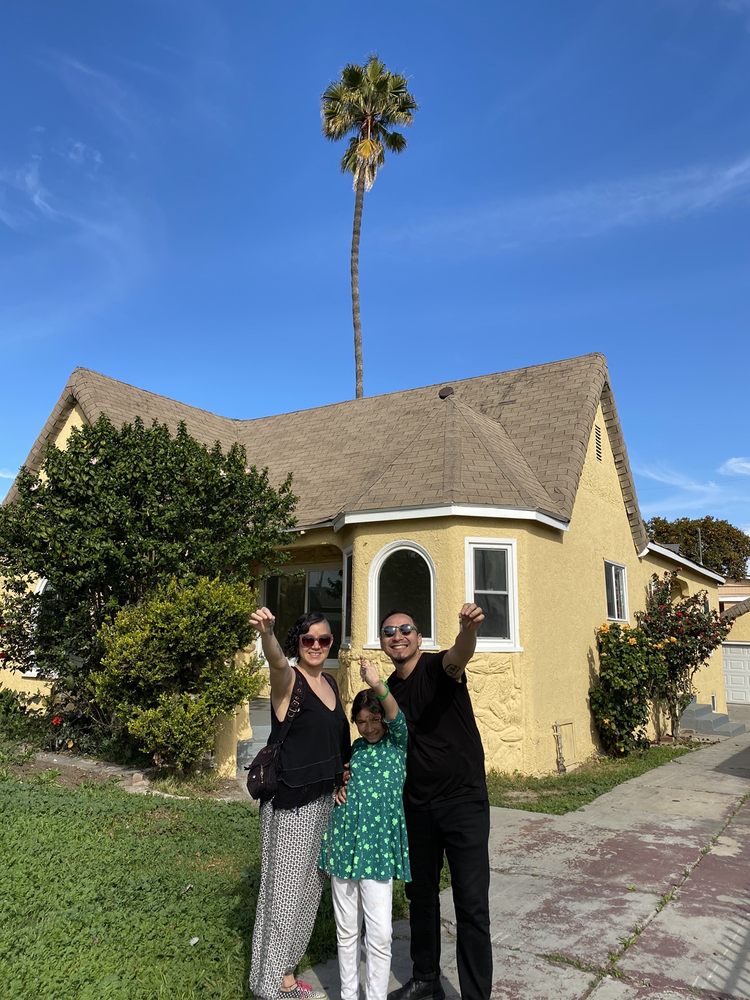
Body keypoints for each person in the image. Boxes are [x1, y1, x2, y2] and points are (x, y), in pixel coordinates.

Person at [382, 604, 491, 1000]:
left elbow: (460, 655)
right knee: (421, 897)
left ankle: (476, 995)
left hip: (463, 802)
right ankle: (426, 978)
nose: (398, 635)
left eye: (405, 628)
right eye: (390, 631)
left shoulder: (436, 668)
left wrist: (468, 630)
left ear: (419, 637)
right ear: (383, 643)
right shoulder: (388, 691)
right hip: (417, 806)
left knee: (471, 905)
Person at [249, 607, 351, 1000]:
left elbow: (336, 739)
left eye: (324, 639)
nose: (316, 646)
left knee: (308, 893)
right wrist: (268, 634)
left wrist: (343, 774)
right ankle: (267, 987)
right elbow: (275, 659)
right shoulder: (289, 680)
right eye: (308, 639)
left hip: (324, 800)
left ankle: (287, 975)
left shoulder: (330, 682)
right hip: (290, 804)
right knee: (282, 895)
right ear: (298, 642)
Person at [319, 656, 410, 1000]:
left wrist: (376, 684)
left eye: (374, 720)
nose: (369, 728)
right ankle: (348, 994)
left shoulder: (397, 743)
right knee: (346, 931)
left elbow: (396, 715)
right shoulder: (355, 749)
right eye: (361, 722)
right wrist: (338, 788)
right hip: (345, 843)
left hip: (377, 849)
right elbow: (339, 776)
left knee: (381, 932)